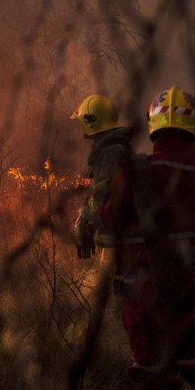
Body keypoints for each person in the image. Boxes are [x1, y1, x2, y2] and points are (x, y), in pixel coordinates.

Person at [100, 85, 195, 390]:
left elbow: (108, 221)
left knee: (154, 383)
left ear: (153, 124)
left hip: (149, 302)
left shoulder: (135, 172)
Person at [70, 94, 135, 267]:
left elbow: (103, 194)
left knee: (117, 289)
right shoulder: (114, 149)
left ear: (91, 122)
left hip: (119, 243)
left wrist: (84, 218)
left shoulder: (111, 152)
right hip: (120, 238)